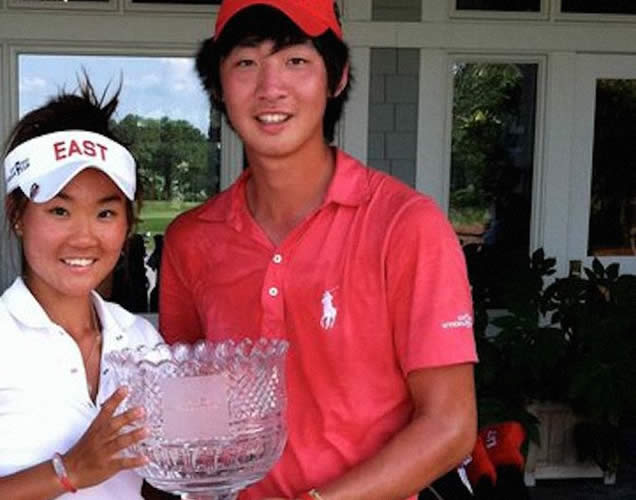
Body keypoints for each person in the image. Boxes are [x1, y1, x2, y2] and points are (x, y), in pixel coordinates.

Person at [159, 1, 478, 499]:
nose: (270, 87)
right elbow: (190, 412)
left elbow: (450, 424)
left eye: (295, 61)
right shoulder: (191, 239)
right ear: (219, 86)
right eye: (246, 62)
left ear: (337, 77)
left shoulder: (405, 225)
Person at [0, 79, 162, 500]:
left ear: (127, 224)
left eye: (106, 212)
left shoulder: (143, 340)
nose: (84, 238)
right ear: (17, 215)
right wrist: (67, 472)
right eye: (59, 210)